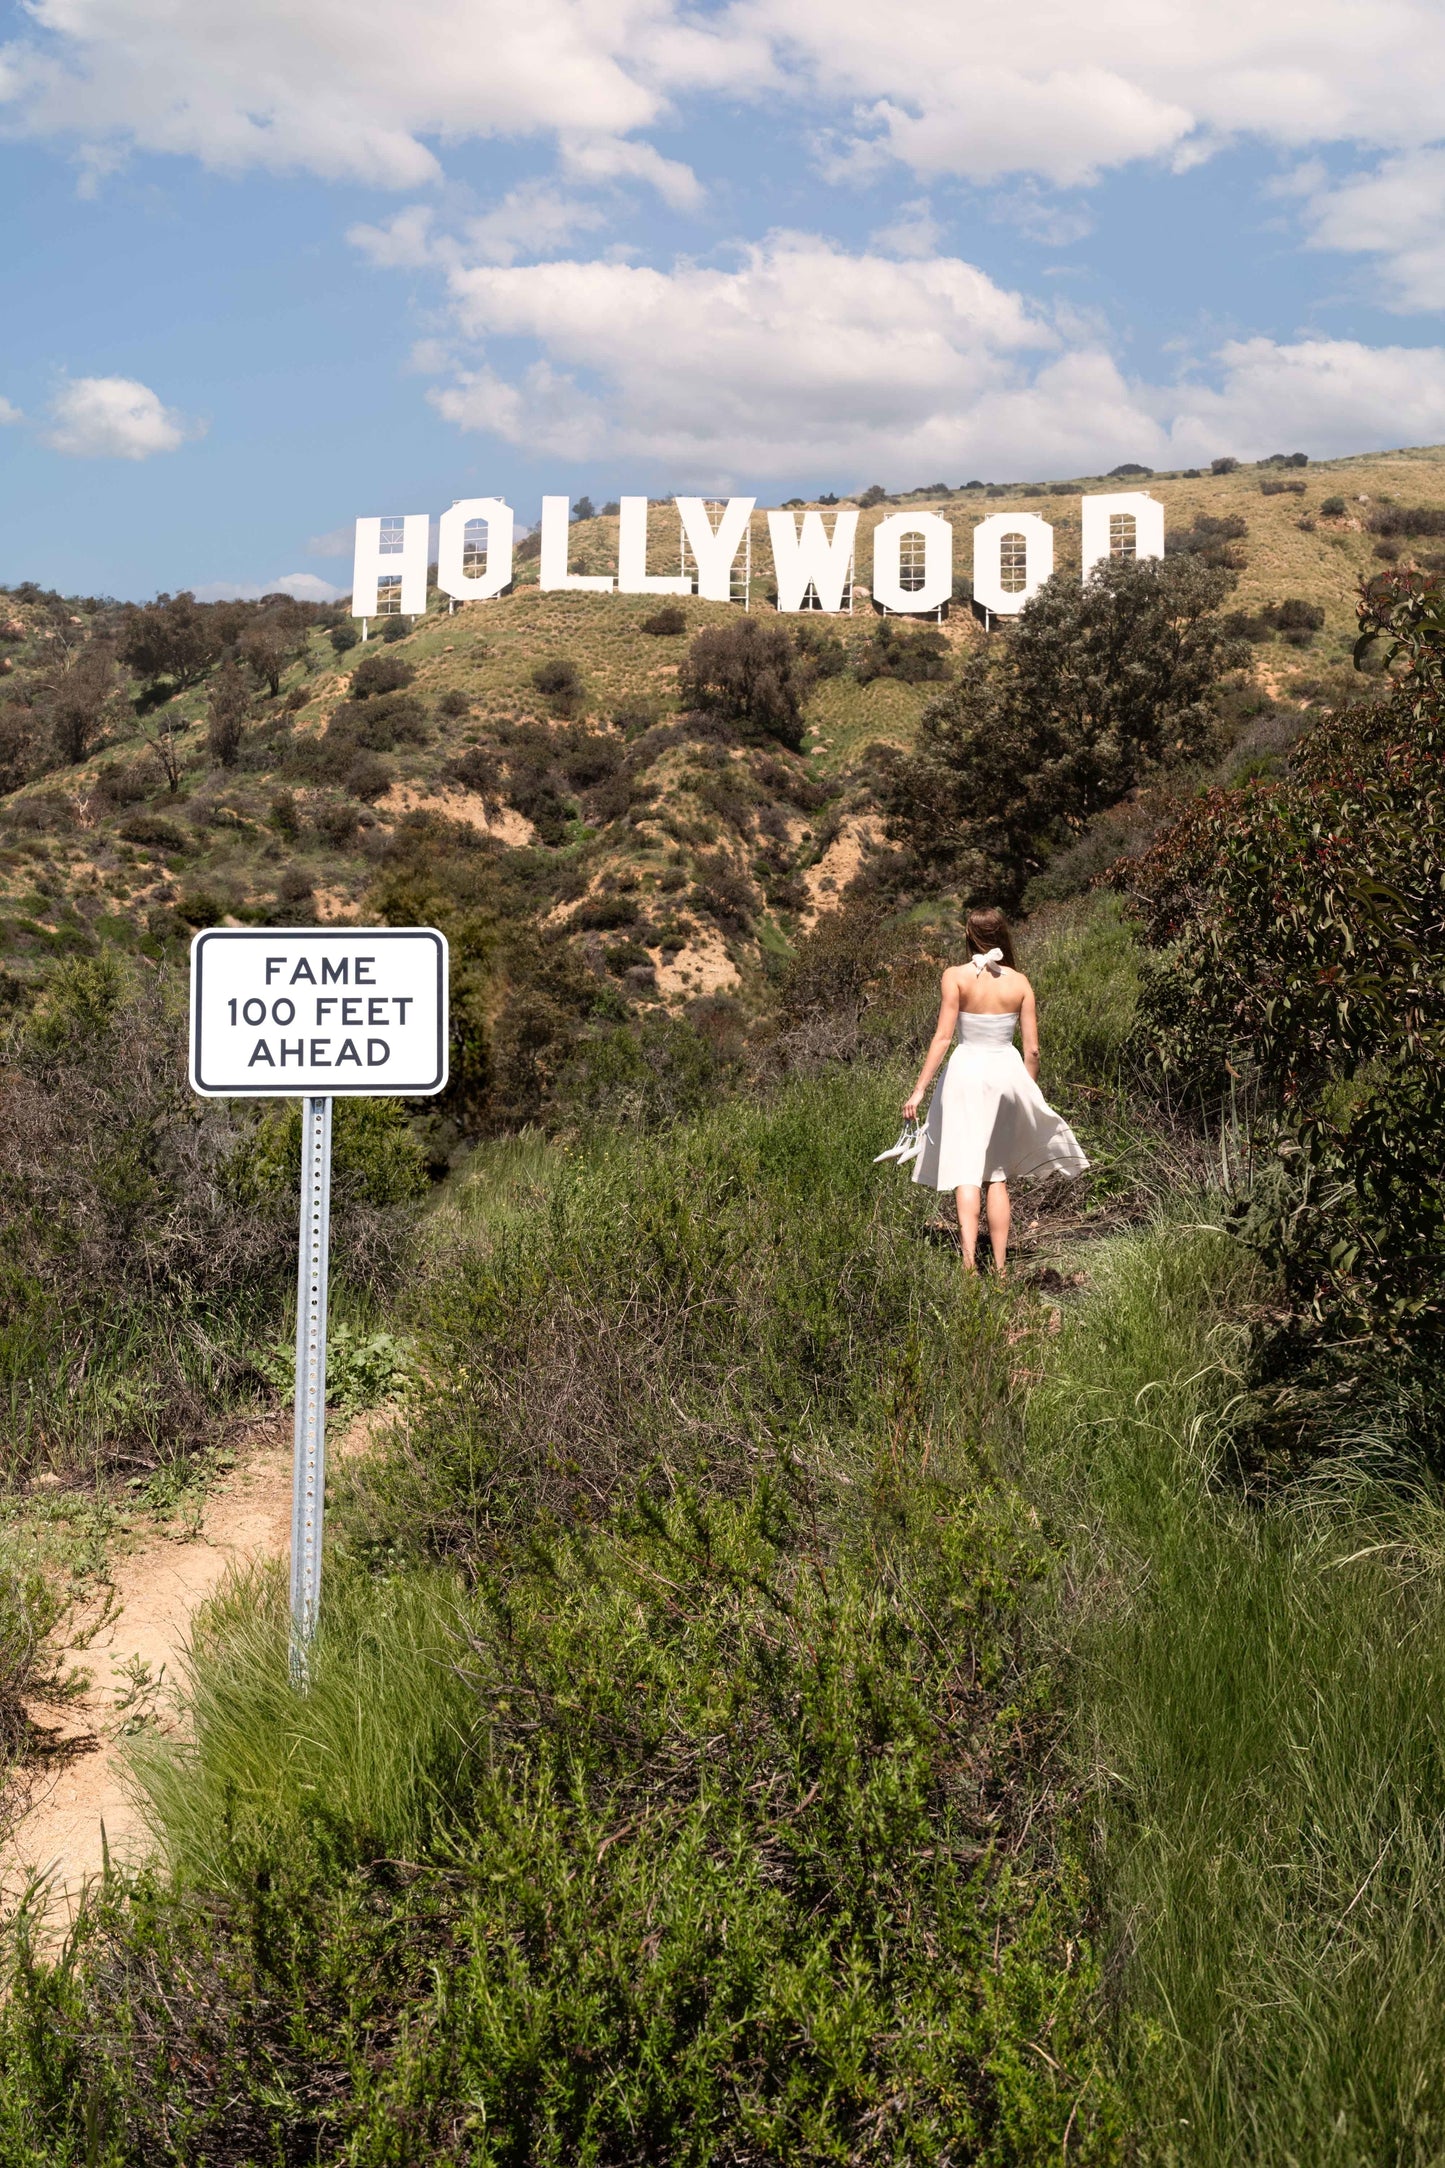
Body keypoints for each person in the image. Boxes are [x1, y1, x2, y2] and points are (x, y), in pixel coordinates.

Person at [902, 907, 1087, 1276]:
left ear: (969, 935)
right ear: (1003, 935)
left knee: (966, 1171)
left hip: (966, 1071)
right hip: (1005, 1073)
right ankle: (1001, 1270)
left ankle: (969, 1264)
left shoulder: (955, 976)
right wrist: (1026, 1090)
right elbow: (1032, 1050)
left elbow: (942, 1038)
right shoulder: (1019, 982)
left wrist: (919, 1089)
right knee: (997, 1175)